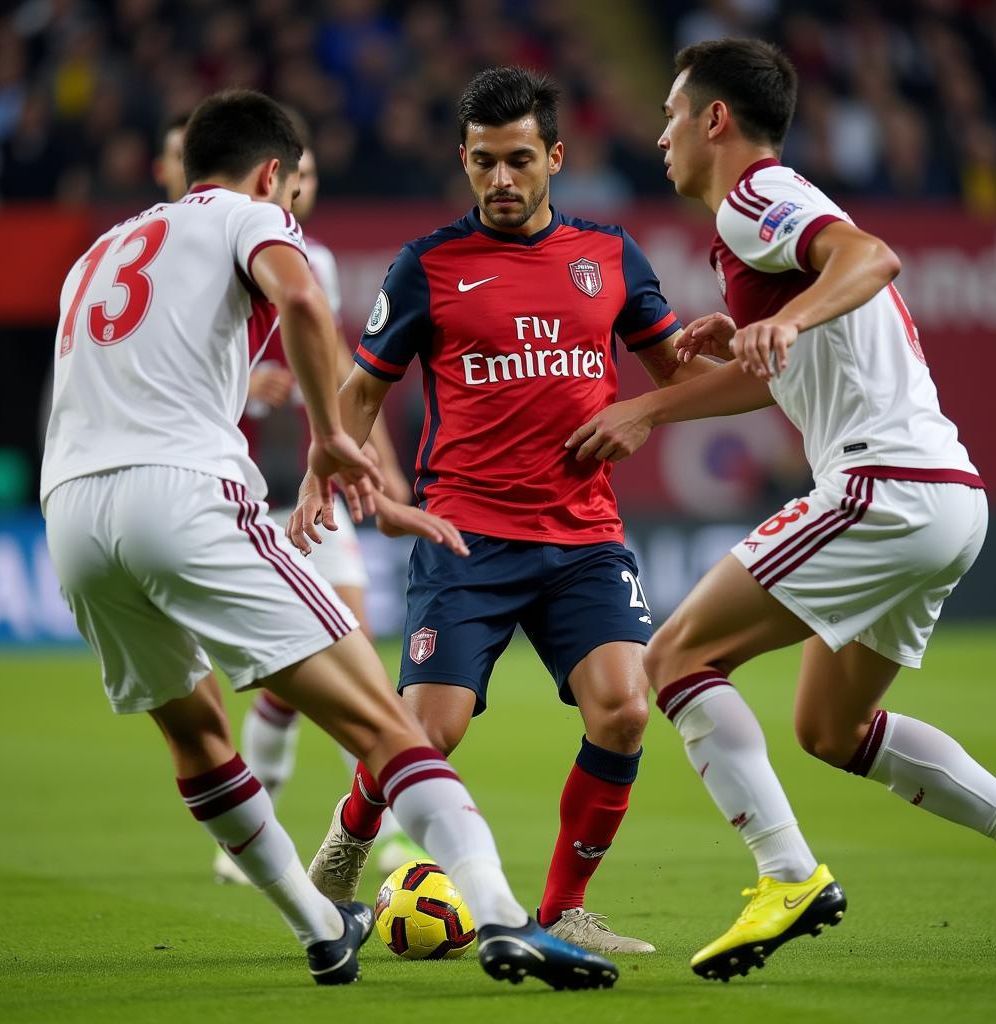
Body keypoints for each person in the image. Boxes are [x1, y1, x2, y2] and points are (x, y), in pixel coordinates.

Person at [41, 88, 617, 991]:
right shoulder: (251, 219)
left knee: (195, 736)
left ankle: (318, 925)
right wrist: (331, 438)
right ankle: (507, 919)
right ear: (273, 174)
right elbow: (303, 299)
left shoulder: (98, 253)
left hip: (71, 512)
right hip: (184, 491)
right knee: (386, 726)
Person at [566, 37, 996, 981]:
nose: (660, 138)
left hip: (880, 487)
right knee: (831, 730)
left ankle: (788, 876)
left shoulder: (754, 196)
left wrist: (788, 319)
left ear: (715, 120)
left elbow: (874, 257)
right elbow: (777, 367)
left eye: (670, 116)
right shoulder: (774, 220)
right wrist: (684, 384)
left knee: (675, 656)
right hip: (946, 498)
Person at [288, 66, 713, 955]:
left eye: (520, 160)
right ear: (465, 161)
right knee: (427, 731)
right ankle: (351, 836)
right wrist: (322, 471)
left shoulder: (609, 257)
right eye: (484, 163)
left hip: (585, 534)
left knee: (626, 711)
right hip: (464, 536)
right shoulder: (427, 267)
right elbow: (360, 391)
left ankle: (564, 909)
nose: (502, 181)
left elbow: (676, 376)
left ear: (555, 156)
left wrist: (666, 400)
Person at [208, 115, 426, 886]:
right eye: (295, 178)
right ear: (271, 177)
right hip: (231, 484)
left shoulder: (314, 262)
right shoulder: (204, 250)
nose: (304, 193)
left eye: (313, 182)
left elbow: (342, 363)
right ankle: (262, 813)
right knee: (291, 669)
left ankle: (388, 830)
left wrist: (378, 456)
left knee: (352, 648)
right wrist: (244, 388)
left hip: (308, 481)